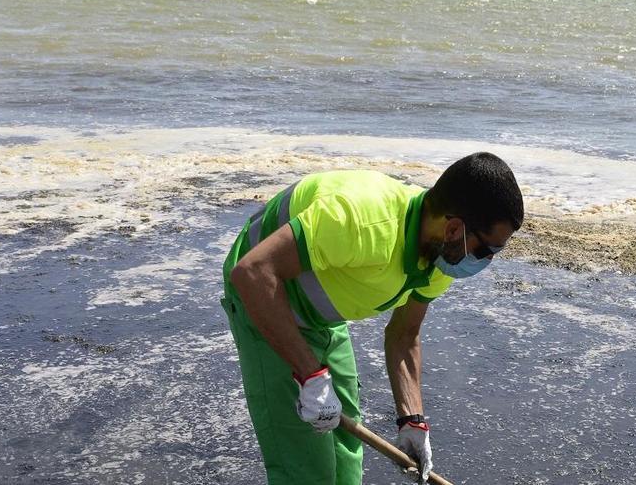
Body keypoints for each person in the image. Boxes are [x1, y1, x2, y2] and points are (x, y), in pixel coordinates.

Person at [221, 152, 523, 484]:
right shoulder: (363, 221)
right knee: (307, 470)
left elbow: (404, 335)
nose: (486, 262)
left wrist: (412, 420)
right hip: (266, 298)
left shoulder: (441, 256)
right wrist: (310, 376)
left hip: (320, 314)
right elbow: (252, 273)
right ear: (453, 228)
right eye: (486, 251)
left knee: (347, 452)